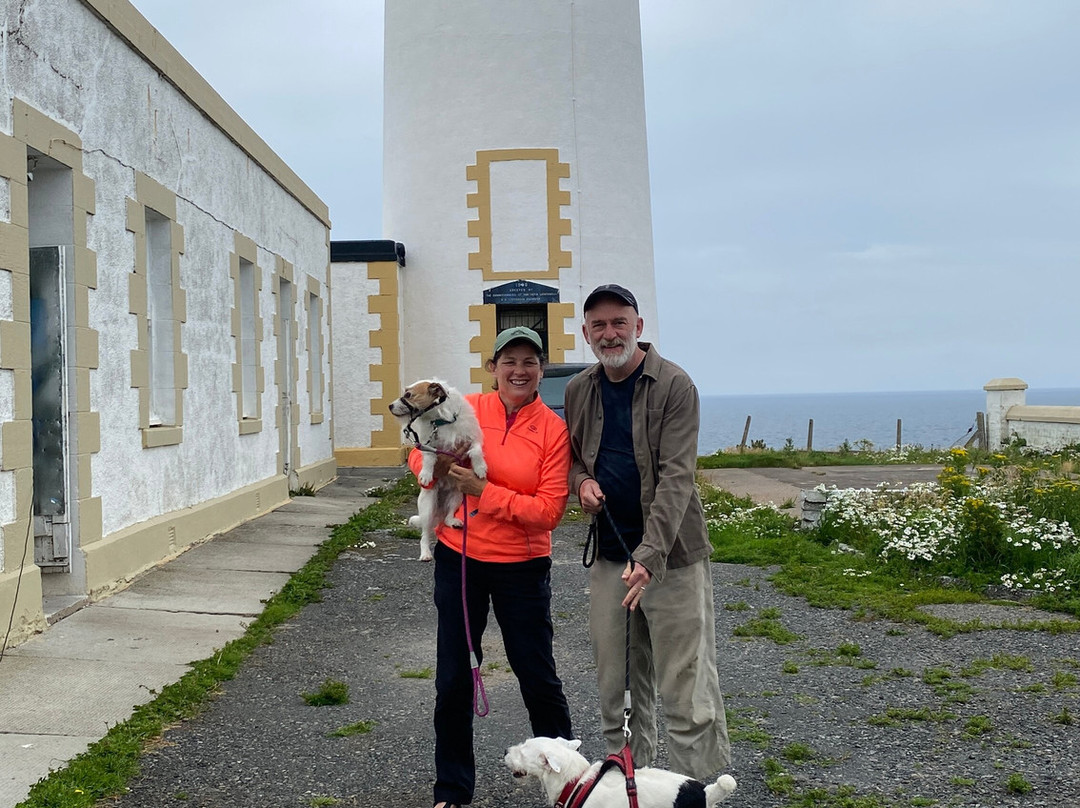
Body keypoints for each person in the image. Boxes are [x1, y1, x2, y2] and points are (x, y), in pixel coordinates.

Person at [564, 284, 730, 779]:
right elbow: (573, 458)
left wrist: (650, 556)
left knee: (685, 681)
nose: (609, 333)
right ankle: (633, 781)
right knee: (617, 680)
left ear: (638, 326)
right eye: (599, 325)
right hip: (612, 555)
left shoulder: (676, 385)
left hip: (672, 558)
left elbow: (678, 477)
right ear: (586, 333)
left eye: (620, 323)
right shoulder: (578, 390)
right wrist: (581, 482)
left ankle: (699, 787)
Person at [407, 325, 574, 808]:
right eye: (509, 361)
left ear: (541, 369)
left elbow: (548, 512)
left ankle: (570, 786)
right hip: (460, 559)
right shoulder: (466, 408)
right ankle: (452, 792)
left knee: (537, 677)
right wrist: (429, 463)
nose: (519, 371)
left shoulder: (553, 429)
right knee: (454, 678)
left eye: (529, 362)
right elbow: (420, 451)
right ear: (492, 368)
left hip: (522, 566)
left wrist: (485, 493)